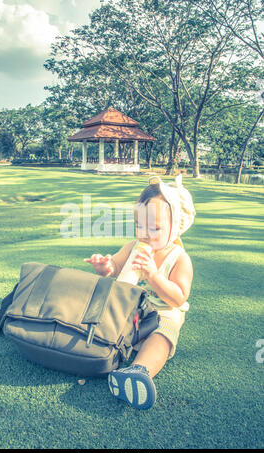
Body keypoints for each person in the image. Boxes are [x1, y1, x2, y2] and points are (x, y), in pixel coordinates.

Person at [84, 174, 196, 410]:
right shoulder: (132, 247)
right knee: (102, 310)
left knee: (163, 334)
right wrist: (105, 267)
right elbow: (114, 266)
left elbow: (178, 297)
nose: (144, 233)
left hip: (162, 310)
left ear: (175, 228)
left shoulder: (179, 258)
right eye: (139, 225)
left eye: (154, 227)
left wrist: (154, 276)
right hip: (130, 306)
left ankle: (139, 370)